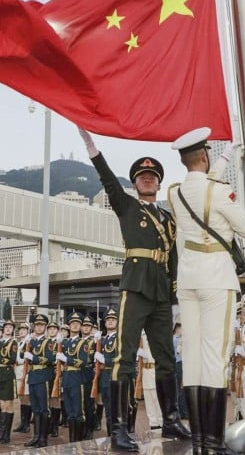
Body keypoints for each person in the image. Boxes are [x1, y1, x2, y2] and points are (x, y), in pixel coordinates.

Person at [78, 127, 190, 451]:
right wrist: (92, 148)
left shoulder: (168, 219)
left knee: (167, 358)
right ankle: (118, 427)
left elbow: (172, 259)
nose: (147, 179)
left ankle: (171, 417)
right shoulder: (127, 206)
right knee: (125, 359)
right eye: (142, 176)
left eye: (152, 176)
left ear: (159, 182)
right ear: (136, 182)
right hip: (135, 289)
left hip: (159, 296)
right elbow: (108, 180)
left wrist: (173, 298)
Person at [167, 127, 245, 455]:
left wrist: (227, 154)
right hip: (217, 278)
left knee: (191, 359)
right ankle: (215, 444)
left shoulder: (174, 193)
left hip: (188, 281)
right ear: (203, 155)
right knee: (214, 358)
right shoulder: (219, 192)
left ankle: (201, 441)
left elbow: (201, 184)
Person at [23, 312, 57, 448]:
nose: (38, 328)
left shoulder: (48, 341)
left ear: (45, 327)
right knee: (35, 408)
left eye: (41, 325)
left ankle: (43, 438)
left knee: (43, 408)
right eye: (36, 325)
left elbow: (50, 359)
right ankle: (36, 436)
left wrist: (33, 358)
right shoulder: (31, 341)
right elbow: (22, 355)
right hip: (33, 377)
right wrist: (25, 345)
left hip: (43, 376)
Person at [57, 312, 90, 442]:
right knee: (69, 411)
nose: (75, 325)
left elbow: (82, 362)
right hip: (66, 378)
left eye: (78, 324)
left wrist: (66, 359)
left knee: (78, 411)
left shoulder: (83, 343)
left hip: (77, 378)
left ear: (81, 327)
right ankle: (72, 443)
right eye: (72, 323)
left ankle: (78, 442)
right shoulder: (64, 343)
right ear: (69, 326)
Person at [0, 320, 18, 444]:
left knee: (8, 405)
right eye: (6, 327)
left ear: (12, 330)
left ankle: (6, 434)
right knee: (2, 404)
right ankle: (2, 432)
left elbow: (12, 358)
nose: (7, 329)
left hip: (7, 373)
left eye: (10, 327)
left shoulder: (13, 342)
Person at [96, 308, 119, 436]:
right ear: (104, 323)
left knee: (114, 409)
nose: (110, 322)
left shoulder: (119, 338)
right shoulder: (102, 340)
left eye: (113, 320)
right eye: (108, 320)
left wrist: (105, 360)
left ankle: (116, 436)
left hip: (114, 375)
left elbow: (120, 358)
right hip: (103, 377)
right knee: (107, 409)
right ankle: (111, 436)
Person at [13, 321, 32, 433]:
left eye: (24, 330)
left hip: (25, 371)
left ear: (28, 331)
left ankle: (27, 424)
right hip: (18, 371)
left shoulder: (28, 342)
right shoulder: (19, 343)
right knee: (21, 398)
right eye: (20, 330)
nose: (21, 331)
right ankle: (22, 423)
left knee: (26, 397)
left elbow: (28, 358)